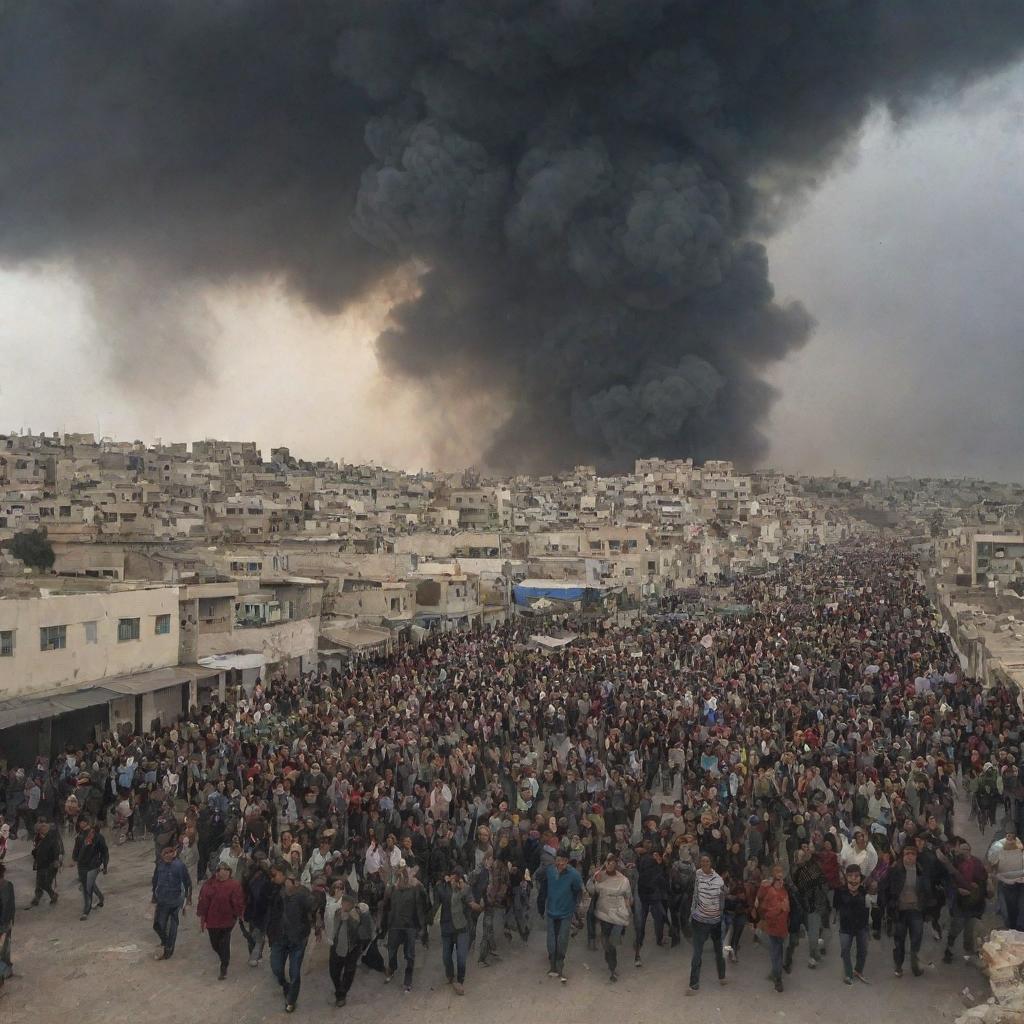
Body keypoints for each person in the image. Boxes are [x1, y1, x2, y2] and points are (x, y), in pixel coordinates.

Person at [267, 865, 318, 1013]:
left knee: (294, 972)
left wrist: (307, 893)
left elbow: (313, 905)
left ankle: (291, 999)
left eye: (294, 880)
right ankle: (285, 985)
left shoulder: (303, 893)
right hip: (280, 938)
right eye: (289, 880)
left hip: (297, 940)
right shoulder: (278, 892)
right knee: (276, 967)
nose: (291, 883)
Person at [881, 843, 929, 978]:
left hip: (916, 910)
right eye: (907, 854)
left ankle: (914, 960)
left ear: (916, 856)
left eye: (912, 854)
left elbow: (926, 890)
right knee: (899, 941)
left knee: (917, 937)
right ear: (903, 856)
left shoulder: (920, 871)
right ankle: (899, 965)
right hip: (900, 911)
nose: (909, 857)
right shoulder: (895, 870)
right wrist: (888, 905)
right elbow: (884, 887)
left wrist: (927, 906)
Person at [537, 850, 583, 983]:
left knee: (562, 939)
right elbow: (540, 880)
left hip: (566, 912)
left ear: (567, 861)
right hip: (551, 911)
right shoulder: (550, 871)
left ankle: (560, 964)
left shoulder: (574, 875)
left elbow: (579, 892)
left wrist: (576, 909)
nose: (560, 863)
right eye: (558, 859)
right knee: (551, 940)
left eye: (563, 860)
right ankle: (552, 963)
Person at [382, 864, 428, 992]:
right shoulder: (394, 888)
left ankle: (408, 980)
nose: (403, 877)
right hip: (395, 925)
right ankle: (392, 968)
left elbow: (424, 901)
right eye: (400, 875)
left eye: (405, 874)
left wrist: (420, 885)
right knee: (392, 950)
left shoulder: (415, 888)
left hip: (410, 925)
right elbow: (386, 903)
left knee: (410, 954)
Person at [940, 839, 987, 961]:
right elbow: (949, 881)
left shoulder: (977, 862)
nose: (964, 851)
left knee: (970, 928)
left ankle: (969, 951)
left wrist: (977, 885)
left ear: (970, 850)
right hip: (960, 901)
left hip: (974, 902)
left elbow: (983, 878)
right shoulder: (955, 862)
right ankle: (949, 949)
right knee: (956, 926)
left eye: (966, 849)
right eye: (962, 849)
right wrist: (957, 889)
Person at [588, 852, 633, 982]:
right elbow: (591, 890)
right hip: (604, 914)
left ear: (616, 864)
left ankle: (612, 968)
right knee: (605, 939)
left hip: (619, 915)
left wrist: (627, 908)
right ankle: (609, 956)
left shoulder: (623, 880)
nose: (609, 864)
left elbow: (628, 897)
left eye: (612, 862)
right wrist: (593, 878)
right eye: (607, 862)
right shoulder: (599, 877)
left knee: (612, 942)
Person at [197, 861, 246, 979]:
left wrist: (239, 914)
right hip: (212, 920)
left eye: (225, 870)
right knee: (215, 944)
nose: (222, 872)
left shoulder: (234, 885)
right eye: (220, 870)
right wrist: (202, 919)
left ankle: (224, 965)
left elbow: (238, 902)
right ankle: (224, 958)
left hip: (227, 920)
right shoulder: (208, 885)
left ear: (229, 872)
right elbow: (204, 902)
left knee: (224, 943)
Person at [435, 866, 479, 995]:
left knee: (461, 957)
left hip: (462, 928)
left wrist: (479, 906)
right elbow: (437, 903)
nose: (454, 880)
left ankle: (460, 979)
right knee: (446, 956)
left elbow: (471, 903)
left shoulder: (465, 889)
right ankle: (450, 975)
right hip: (447, 927)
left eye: (457, 877)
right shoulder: (442, 888)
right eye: (452, 877)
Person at [688, 853, 727, 994]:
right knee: (697, 953)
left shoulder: (718, 880)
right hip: (699, 921)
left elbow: (723, 897)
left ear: (711, 863)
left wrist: (720, 915)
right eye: (702, 861)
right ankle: (693, 983)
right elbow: (694, 895)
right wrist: (692, 912)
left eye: (707, 861)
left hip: (715, 921)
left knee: (719, 951)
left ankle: (722, 976)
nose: (704, 863)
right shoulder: (697, 875)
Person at [328, 887, 371, 1006]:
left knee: (349, 972)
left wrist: (350, 920)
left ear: (351, 904)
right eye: (342, 903)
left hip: (352, 948)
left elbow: (362, 933)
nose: (342, 905)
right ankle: (338, 989)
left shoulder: (358, 915)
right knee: (333, 972)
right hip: (337, 947)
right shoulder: (338, 912)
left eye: (344, 903)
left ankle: (341, 995)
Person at [152, 844, 193, 960]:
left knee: (172, 926)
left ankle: (169, 949)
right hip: (162, 899)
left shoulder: (179, 866)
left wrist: (188, 897)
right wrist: (153, 896)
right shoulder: (160, 865)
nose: (165, 855)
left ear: (172, 853)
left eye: (167, 853)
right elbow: (155, 880)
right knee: (157, 925)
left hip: (175, 899)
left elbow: (187, 882)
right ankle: (166, 942)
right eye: (163, 854)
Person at [755, 864, 791, 992]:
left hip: (781, 928)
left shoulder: (784, 891)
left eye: (781, 872)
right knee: (776, 952)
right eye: (777, 871)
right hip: (772, 927)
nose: (779, 874)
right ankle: (777, 977)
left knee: (777, 952)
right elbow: (763, 907)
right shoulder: (768, 889)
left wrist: (781, 908)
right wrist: (779, 908)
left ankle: (777, 975)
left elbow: (787, 909)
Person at [835, 864, 869, 984]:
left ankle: (858, 970)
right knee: (845, 950)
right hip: (845, 926)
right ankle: (848, 973)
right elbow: (836, 905)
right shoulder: (840, 890)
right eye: (850, 876)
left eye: (856, 876)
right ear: (846, 877)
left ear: (860, 877)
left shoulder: (865, 891)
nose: (854, 879)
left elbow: (872, 905)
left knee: (863, 950)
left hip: (862, 926)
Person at [72, 818, 108, 920]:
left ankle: (86, 910)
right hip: (82, 866)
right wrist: (75, 858)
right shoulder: (79, 836)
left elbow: (105, 852)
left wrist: (104, 865)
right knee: (89, 885)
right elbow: (76, 850)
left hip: (94, 866)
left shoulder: (99, 838)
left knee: (87, 887)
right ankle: (101, 897)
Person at [27, 819, 61, 908]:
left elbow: (56, 850)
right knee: (39, 882)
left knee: (45, 883)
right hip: (40, 863)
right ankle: (37, 897)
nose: (42, 829)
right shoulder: (37, 838)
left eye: (44, 827)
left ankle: (53, 895)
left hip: (50, 864)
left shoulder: (52, 838)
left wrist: (56, 861)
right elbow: (36, 849)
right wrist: (34, 853)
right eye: (40, 828)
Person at [0, 864, 13, 989]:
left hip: (2, 924)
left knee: (4, 949)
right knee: (5, 949)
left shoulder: (5, 887)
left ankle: (5, 970)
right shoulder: (8, 885)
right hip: (5, 924)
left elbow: (7, 906)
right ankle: (5, 971)